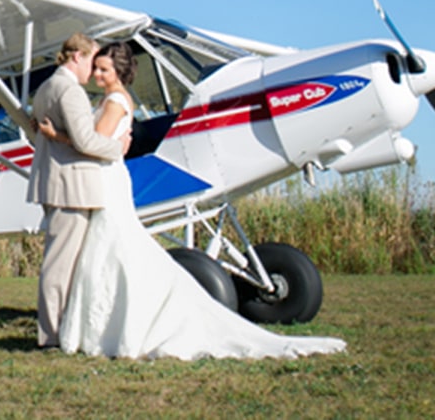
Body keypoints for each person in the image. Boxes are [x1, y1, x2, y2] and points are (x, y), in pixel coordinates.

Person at [37, 41, 347, 360]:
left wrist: (55, 135)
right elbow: (101, 142)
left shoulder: (115, 101)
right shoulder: (114, 100)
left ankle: (124, 321)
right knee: (114, 249)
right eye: (96, 68)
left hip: (107, 176)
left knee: (115, 249)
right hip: (103, 178)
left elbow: (92, 143)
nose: (97, 75)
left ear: (118, 71)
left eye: (104, 69)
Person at [26, 32, 125, 349]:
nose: (93, 72)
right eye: (91, 62)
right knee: (60, 264)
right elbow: (84, 141)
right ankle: (52, 337)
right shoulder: (69, 91)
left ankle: (62, 331)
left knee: (64, 261)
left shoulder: (46, 87)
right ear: (76, 57)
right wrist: (117, 149)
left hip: (57, 181)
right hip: (70, 185)